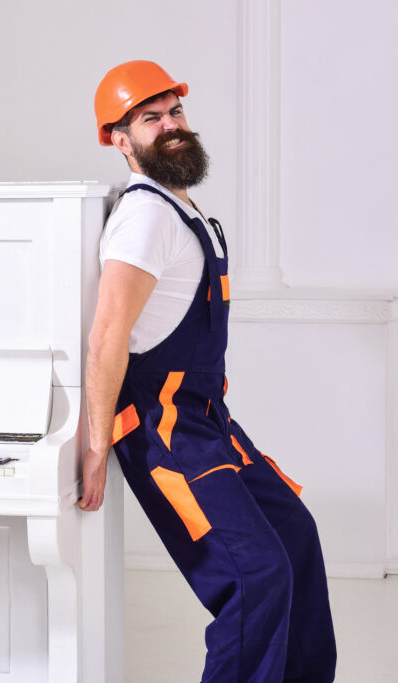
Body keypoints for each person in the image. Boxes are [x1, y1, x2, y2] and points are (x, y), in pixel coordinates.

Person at [80, 60, 337, 681]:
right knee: (254, 577)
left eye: (175, 112)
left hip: (205, 419)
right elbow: (108, 335)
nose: (171, 125)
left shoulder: (179, 207)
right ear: (119, 138)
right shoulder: (145, 217)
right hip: (163, 430)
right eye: (150, 118)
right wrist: (94, 448)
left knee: (295, 540)